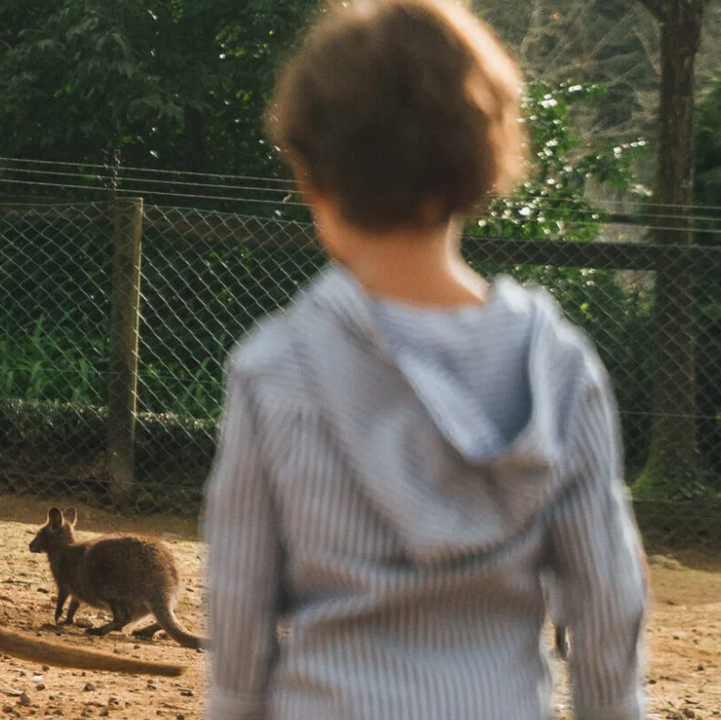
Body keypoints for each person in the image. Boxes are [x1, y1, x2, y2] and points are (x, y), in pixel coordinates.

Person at [200, 1, 649, 719]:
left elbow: (239, 610)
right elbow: (607, 603)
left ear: (313, 176)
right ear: (483, 162)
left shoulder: (273, 369)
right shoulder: (561, 370)